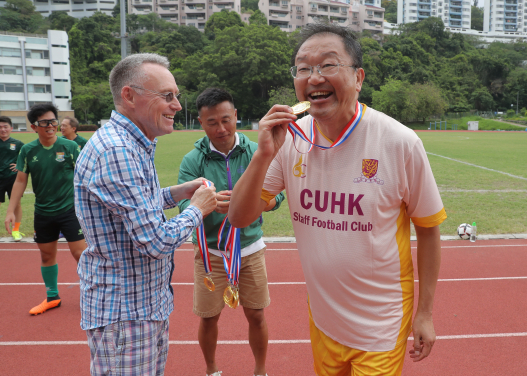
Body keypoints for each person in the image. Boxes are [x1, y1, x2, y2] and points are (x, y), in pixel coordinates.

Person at [228, 23, 446, 376]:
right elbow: (239, 217)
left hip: (381, 324)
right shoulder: (290, 141)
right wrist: (262, 154)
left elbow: (429, 230)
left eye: (329, 65)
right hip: (325, 320)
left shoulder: (399, 142)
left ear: (358, 78)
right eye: (303, 68)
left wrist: (425, 314)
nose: (314, 77)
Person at [74, 53, 217, 376]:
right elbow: (153, 240)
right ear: (129, 96)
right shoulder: (118, 150)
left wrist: (178, 192)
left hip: (140, 308)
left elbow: (135, 208)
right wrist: (198, 209)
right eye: (167, 96)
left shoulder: (131, 144)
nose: (177, 105)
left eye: (176, 96)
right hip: (127, 314)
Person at [178, 88, 284, 376]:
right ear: (201, 122)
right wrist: (206, 204)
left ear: (236, 115)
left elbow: (277, 196)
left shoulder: (256, 151)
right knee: (209, 318)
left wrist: (254, 203)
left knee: (257, 315)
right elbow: (183, 205)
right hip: (211, 254)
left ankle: (260, 371)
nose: (221, 129)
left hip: (250, 249)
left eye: (226, 119)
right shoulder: (192, 161)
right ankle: (212, 370)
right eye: (212, 122)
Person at [4, 104, 87, 315]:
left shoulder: (70, 147)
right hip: (43, 212)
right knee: (46, 255)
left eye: (53, 121)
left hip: (70, 210)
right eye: (44, 122)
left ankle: (93, 294)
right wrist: (10, 210)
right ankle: (52, 297)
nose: (50, 126)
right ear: (34, 126)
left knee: (81, 254)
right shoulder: (27, 150)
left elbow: (86, 177)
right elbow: (20, 181)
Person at [0, 116, 24, 241]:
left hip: (12, 179)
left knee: (16, 204)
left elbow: (27, 158)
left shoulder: (18, 144)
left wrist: (19, 166)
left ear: (11, 128)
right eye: (0, 127)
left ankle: (16, 230)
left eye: (5, 127)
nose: (3, 130)